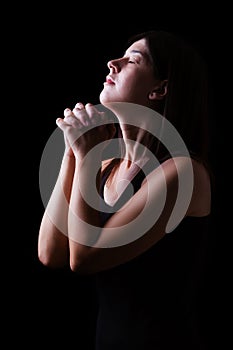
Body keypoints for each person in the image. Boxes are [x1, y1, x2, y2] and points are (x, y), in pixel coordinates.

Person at [38, 30, 213, 349]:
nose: (112, 63)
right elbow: (51, 254)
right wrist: (72, 152)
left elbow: (85, 257)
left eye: (133, 60)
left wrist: (87, 155)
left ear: (160, 89)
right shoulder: (107, 167)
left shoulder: (183, 172)